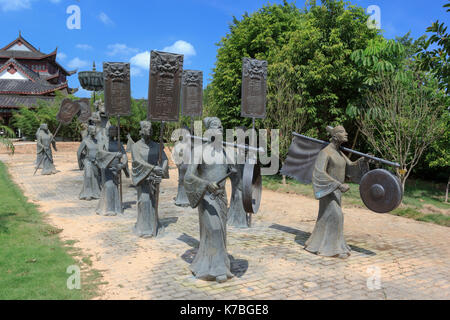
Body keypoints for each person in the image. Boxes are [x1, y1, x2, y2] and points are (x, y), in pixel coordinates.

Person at [305, 125, 368, 259]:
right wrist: (338, 185)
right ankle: (333, 249)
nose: (345, 134)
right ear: (334, 136)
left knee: (328, 217)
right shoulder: (325, 152)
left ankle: (319, 244)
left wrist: (363, 161)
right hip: (328, 191)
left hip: (336, 192)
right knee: (337, 216)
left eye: (345, 131)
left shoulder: (339, 153)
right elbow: (319, 173)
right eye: (341, 132)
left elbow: (351, 167)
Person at [184, 117, 233, 283]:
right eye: (215, 126)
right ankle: (216, 270)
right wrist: (205, 184)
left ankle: (218, 264)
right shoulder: (199, 151)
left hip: (221, 197)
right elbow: (188, 176)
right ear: (208, 130)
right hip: (206, 196)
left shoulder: (226, 151)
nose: (219, 129)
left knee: (221, 232)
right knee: (213, 229)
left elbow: (234, 173)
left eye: (221, 126)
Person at [131, 121, 168, 238]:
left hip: (154, 179)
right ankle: (143, 227)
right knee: (144, 201)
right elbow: (137, 161)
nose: (149, 129)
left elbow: (165, 159)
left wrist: (162, 169)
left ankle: (154, 225)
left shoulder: (156, 146)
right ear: (141, 131)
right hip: (143, 178)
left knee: (153, 202)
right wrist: (153, 168)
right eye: (146, 127)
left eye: (151, 128)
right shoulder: (135, 146)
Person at [96, 126, 128, 216]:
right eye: (111, 130)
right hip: (106, 168)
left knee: (114, 187)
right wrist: (115, 155)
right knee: (108, 186)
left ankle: (116, 207)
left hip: (116, 169)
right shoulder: (103, 142)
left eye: (115, 130)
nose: (113, 132)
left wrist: (122, 165)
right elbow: (100, 153)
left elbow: (124, 155)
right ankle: (108, 208)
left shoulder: (119, 144)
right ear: (108, 131)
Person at [77, 125, 101, 200]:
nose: (94, 131)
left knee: (96, 177)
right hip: (88, 161)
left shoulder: (97, 141)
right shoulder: (85, 141)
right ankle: (87, 193)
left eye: (95, 130)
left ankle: (96, 193)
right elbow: (79, 152)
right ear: (89, 131)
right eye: (93, 130)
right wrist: (82, 163)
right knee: (88, 176)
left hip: (96, 162)